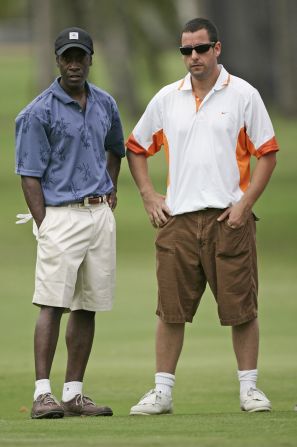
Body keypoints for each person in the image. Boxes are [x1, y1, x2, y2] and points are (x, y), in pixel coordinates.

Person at [126, 18, 278, 415]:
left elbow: (267, 152)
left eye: (200, 49)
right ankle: (162, 392)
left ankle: (249, 389)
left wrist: (244, 205)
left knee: (241, 308)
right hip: (178, 220)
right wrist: (147, 195)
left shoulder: (243, 94)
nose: (193, 57)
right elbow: (136, 147)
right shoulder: (166, 98)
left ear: (217, 49)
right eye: (186, 51)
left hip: (229, 219)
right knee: (171, 310)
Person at [15, 27, 125, 419]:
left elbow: (116, 148)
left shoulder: (106, 104)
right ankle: (43, 393)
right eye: (67, 57)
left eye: (80, 56)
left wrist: (110, 190)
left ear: (90, 59)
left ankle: (74, 394)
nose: (74, 64)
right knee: (52, 304)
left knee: (87, 305)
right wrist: (45, 224)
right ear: (57, 60)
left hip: (99, 215)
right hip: (59, 215)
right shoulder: (38, 111)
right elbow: (28, 174)